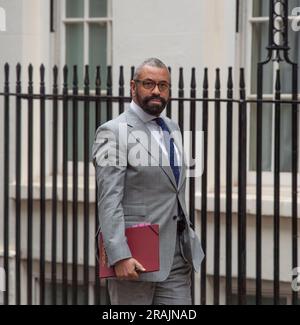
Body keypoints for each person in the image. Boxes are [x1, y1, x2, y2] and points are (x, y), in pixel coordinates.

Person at [92, 58, 204, 305]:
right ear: (133, 87)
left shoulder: (172, 127)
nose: (157, 91)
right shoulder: (112, 132)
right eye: (149, 83)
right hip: (136, 260)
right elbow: (109, 200)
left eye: (163, 85)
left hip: (176, 257)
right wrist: (119, 255)